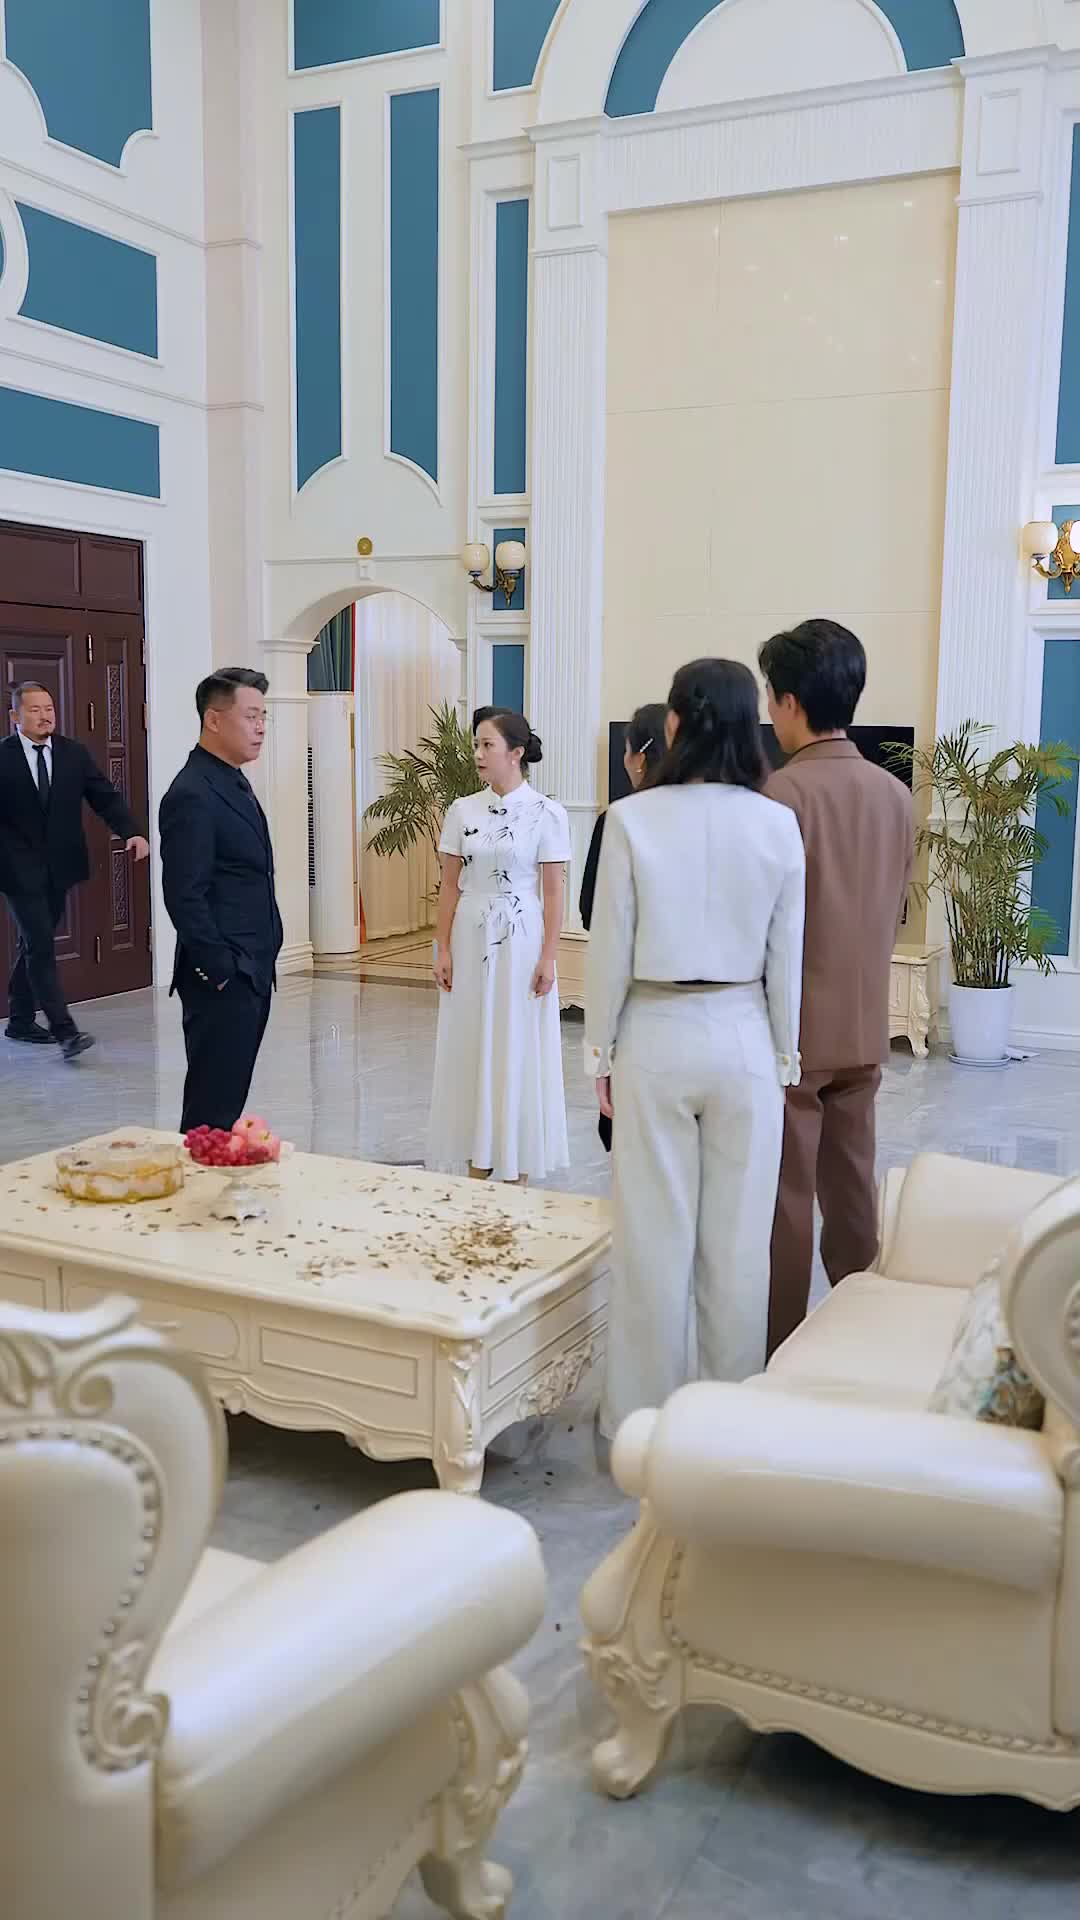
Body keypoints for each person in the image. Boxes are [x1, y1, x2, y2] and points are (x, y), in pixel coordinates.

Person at [586, 659, 805, 1437]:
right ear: (752, 723)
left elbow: (609, 950)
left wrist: (599, 1054)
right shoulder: (777, 823)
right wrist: (785, 1058)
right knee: (740, 1244)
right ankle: (726, 1421)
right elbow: (788, 957)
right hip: (744, 1032)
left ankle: (639, 1418)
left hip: (656, 1029)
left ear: (674, 722)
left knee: (651, 1235)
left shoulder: (632, 819)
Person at [758, 618, 914, 1358]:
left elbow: (762, 921)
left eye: (771, 698)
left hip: (793, 1031)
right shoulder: (894, 795)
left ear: (790, 702)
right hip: (863, 1021)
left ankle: (780, 1347)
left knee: (787, 1196)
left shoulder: (780, 794)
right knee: (852, 1188)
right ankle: (862, 1336)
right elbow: (894, 905)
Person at [428, 710, 570, 1185]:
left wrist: (549, 956)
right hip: (470, 934)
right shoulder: (462, 810)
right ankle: (478, 1152)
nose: (478, 754)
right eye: (476, 745)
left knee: (516, 1039)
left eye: (487, 745)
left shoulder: (548, 813)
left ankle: (516, 1157)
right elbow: (450, 885)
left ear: (516, 753)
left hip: (523, 939)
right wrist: (442, 948)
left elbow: (554, 891)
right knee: (472, 1038)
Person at [159, 667, 283, 1134]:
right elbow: (184, 894)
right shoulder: (192, 792)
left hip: (252, 967)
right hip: (224, 976)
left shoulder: (230, 779)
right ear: (214, 720)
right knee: (210, 1108)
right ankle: (194, 1174)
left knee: (227, 1100)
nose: (260, 727)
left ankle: (211, 1173)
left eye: (264, 716)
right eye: (251, 716)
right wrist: (221, 970)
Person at [0, 681, 149, 1060]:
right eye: (35, 709)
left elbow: (104, 797)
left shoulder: (72, 754)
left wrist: (131, 832)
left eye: (49, 708)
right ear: (15, 716)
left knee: (34, 942)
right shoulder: (2, 757)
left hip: (60, 867)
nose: (45, 716)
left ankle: (19, 1020)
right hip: (16, 870)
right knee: (40, 945)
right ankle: (65, 1031)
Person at [579, 703, 667, 1153]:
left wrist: (599, 1053)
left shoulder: (619, 821)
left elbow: (592, 913)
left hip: (637, 1007)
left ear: (640, 756)